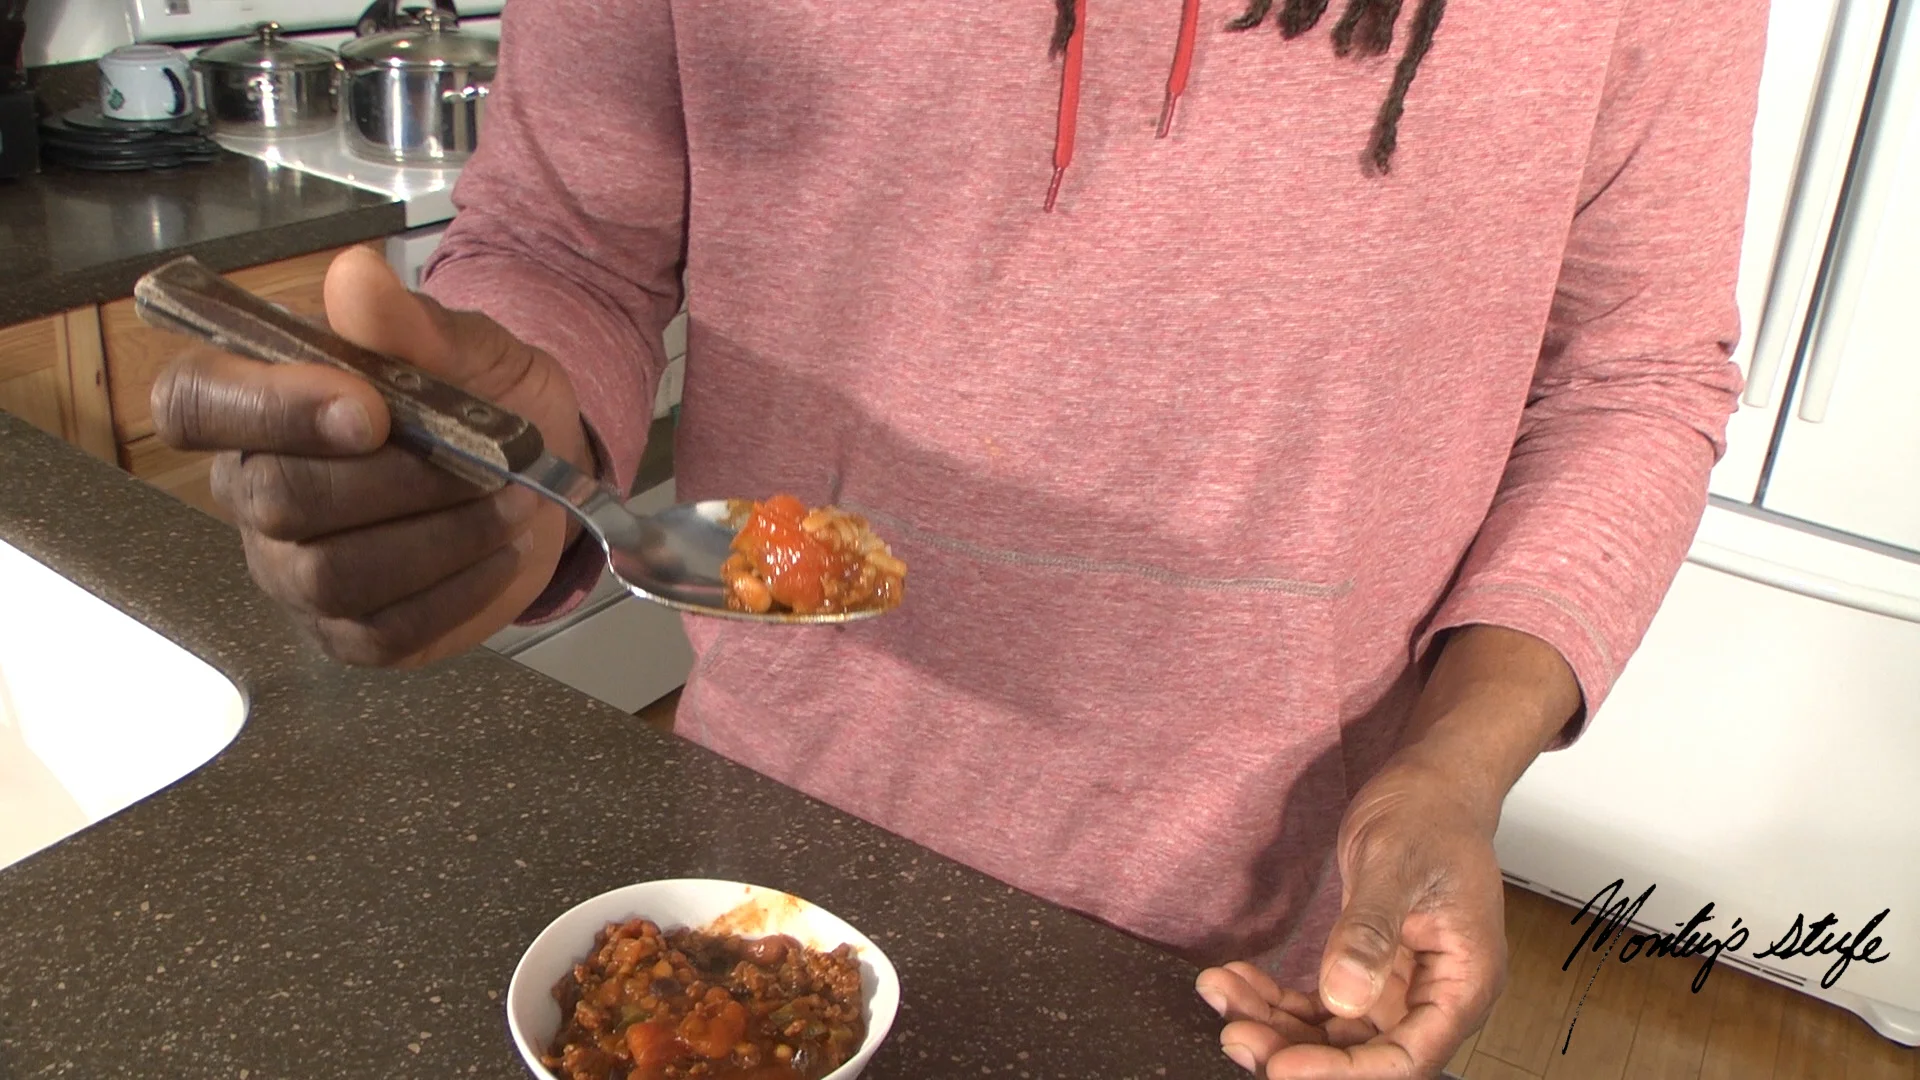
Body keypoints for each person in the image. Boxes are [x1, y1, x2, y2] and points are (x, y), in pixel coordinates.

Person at [149, 0, 1769, 1075]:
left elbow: (1633, 374)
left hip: (1270, 946)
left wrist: (1457, 767)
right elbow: (569, 242)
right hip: (763, 857)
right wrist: (512, 455)